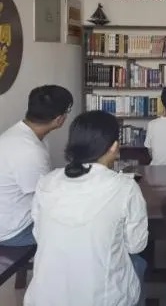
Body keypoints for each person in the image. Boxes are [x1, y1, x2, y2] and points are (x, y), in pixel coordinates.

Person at [24, 110, 148, 306]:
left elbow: (39, 234)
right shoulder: (125, 187)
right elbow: (136, 245)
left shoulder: (47, 181)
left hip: (44, 298)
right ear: (114, 146)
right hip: (103, 299)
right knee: (138, 263)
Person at [0, 84, 73, 247]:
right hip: (13, 231)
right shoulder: (30, 151)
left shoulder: (22, 133)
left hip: (12, 216)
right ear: (59, 119)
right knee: (80, 227)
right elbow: (47, 200)